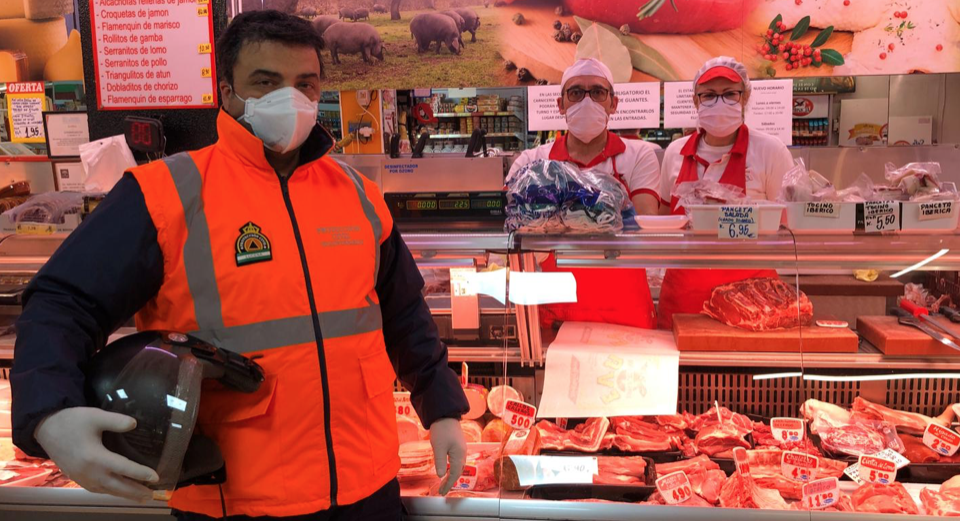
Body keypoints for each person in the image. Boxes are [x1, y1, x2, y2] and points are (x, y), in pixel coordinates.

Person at [11, 10, 468, 520]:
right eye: (266, 83)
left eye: (305, 84)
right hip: (234, 500)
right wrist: (51, 412)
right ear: (226, 92)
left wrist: (442, 408)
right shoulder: (164, 194)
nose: (290, 99)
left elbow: (404, 314)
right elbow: (62, 302)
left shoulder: (357, 193)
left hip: (367, 489)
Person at [507, 58, 661, 330]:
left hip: (624, 307)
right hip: (557, 308)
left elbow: (644, 228)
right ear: (560, 104)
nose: (587, 101)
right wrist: (604, 209)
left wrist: (555, 211)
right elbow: (514, 229)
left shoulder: (640, 154)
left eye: (598, 92)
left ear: (613, 103)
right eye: (576, 92)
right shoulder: (532, 160)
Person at [657, 56, 795, 330]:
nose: (719, 103)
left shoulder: (770, 150)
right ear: (696, 101)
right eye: (708, 95)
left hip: (754, 299)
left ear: (745, 98)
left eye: (729, 94)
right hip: (684, 297)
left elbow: (788, 228)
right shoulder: (675, 152)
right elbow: (664, 222)